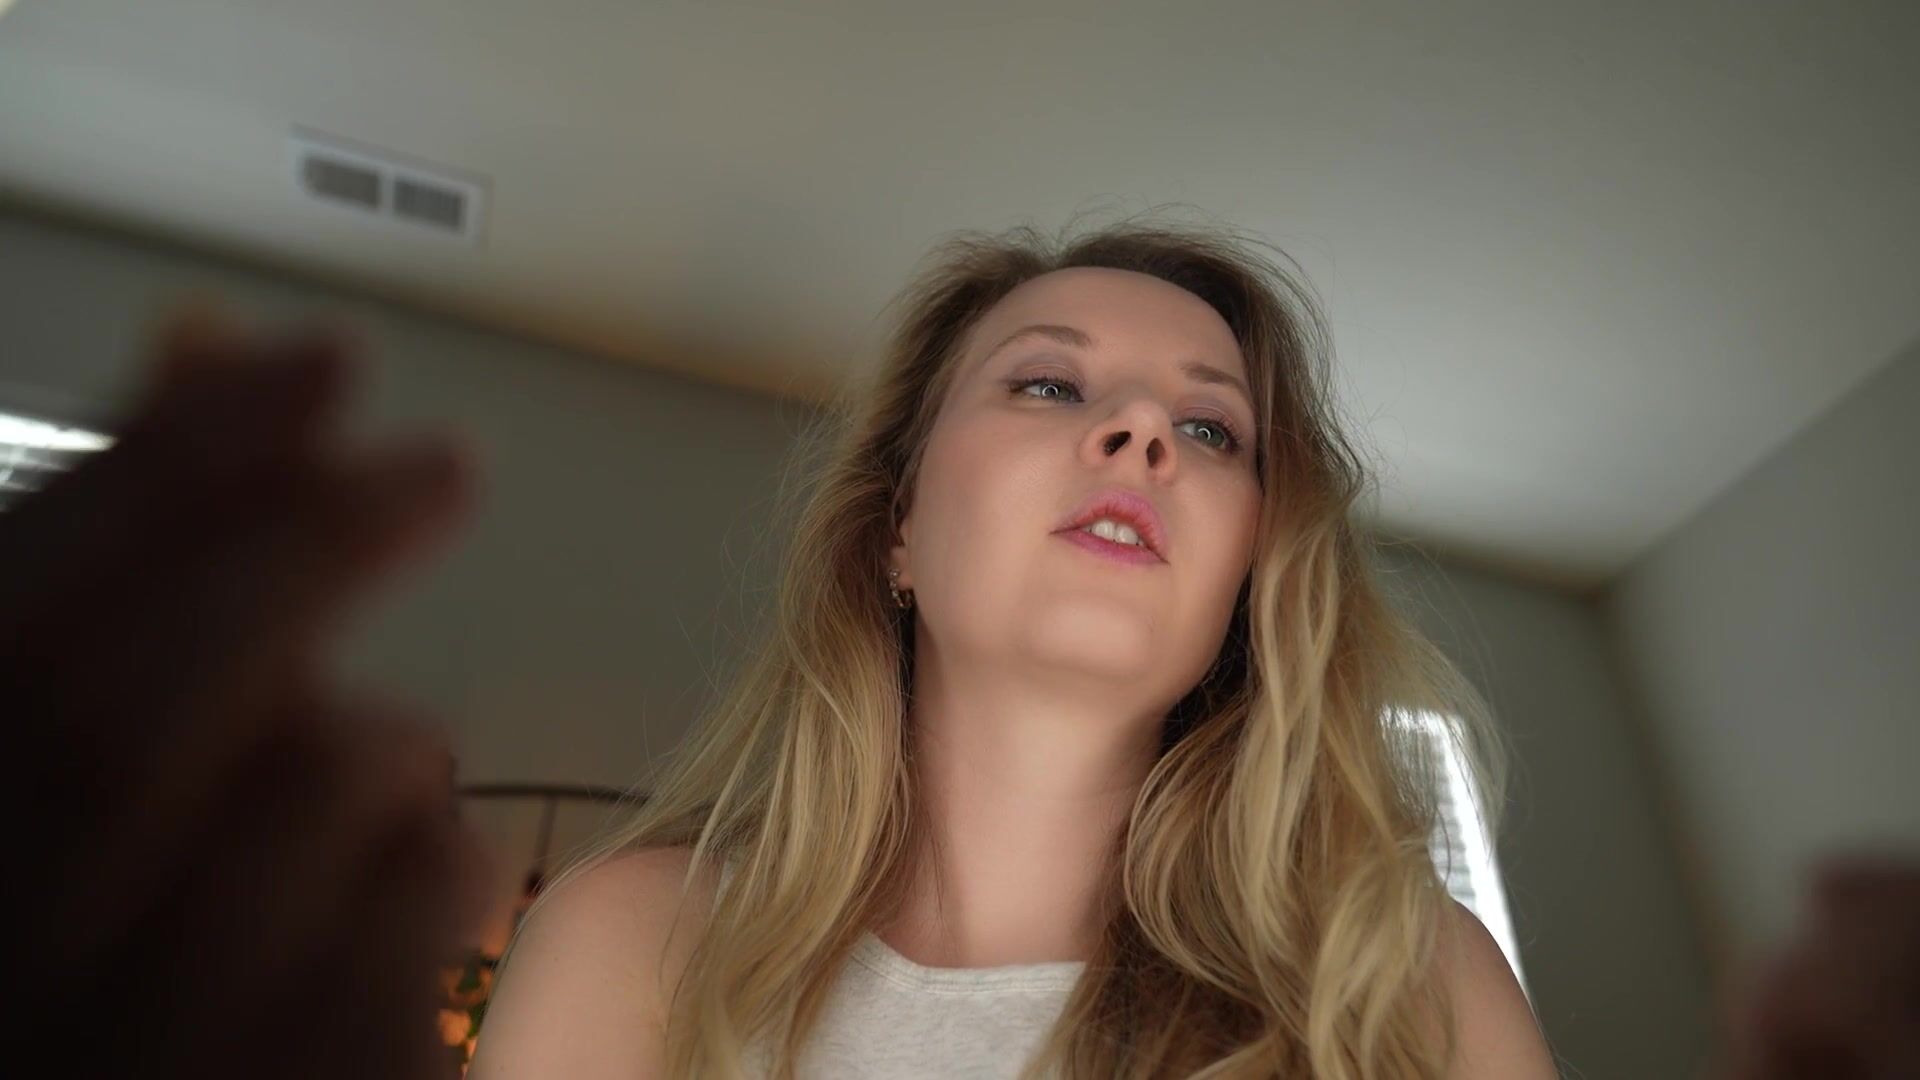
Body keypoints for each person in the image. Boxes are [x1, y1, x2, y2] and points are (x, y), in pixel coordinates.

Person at [4, 218, 1914, 1080]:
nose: (1142, 431)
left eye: (1214, 427)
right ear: (896, 535)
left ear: (1247, 580)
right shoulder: (632, 945)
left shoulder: (1402, 977)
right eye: (1052, 383)